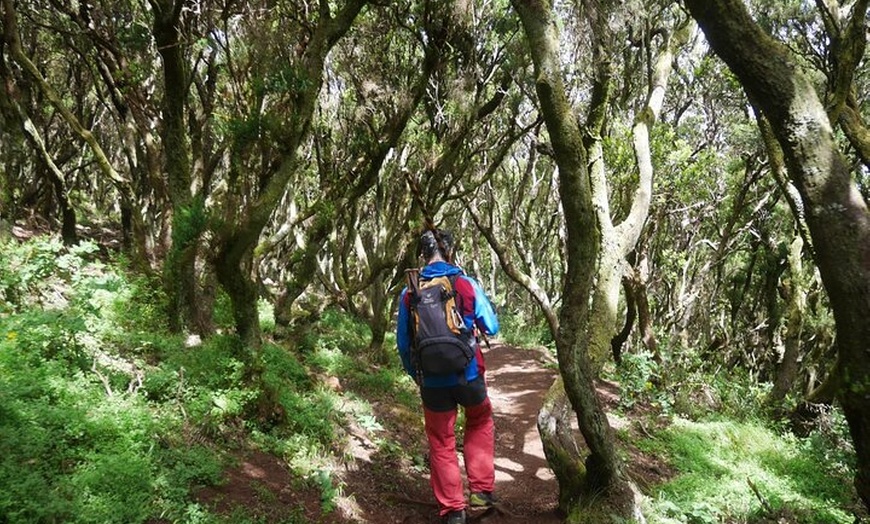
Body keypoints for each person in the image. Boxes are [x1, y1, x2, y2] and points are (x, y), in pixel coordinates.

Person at [396, 229, 500, 524]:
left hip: (432, 381)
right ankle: (481, 491)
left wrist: (417, 375)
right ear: (450, 251)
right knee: (479, 421)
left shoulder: (410, 292)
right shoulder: (464, 283)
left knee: (441, 439)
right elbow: (491, 327)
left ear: (422, 254)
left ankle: (454, 510)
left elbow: (404, 344)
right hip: (468, 374)